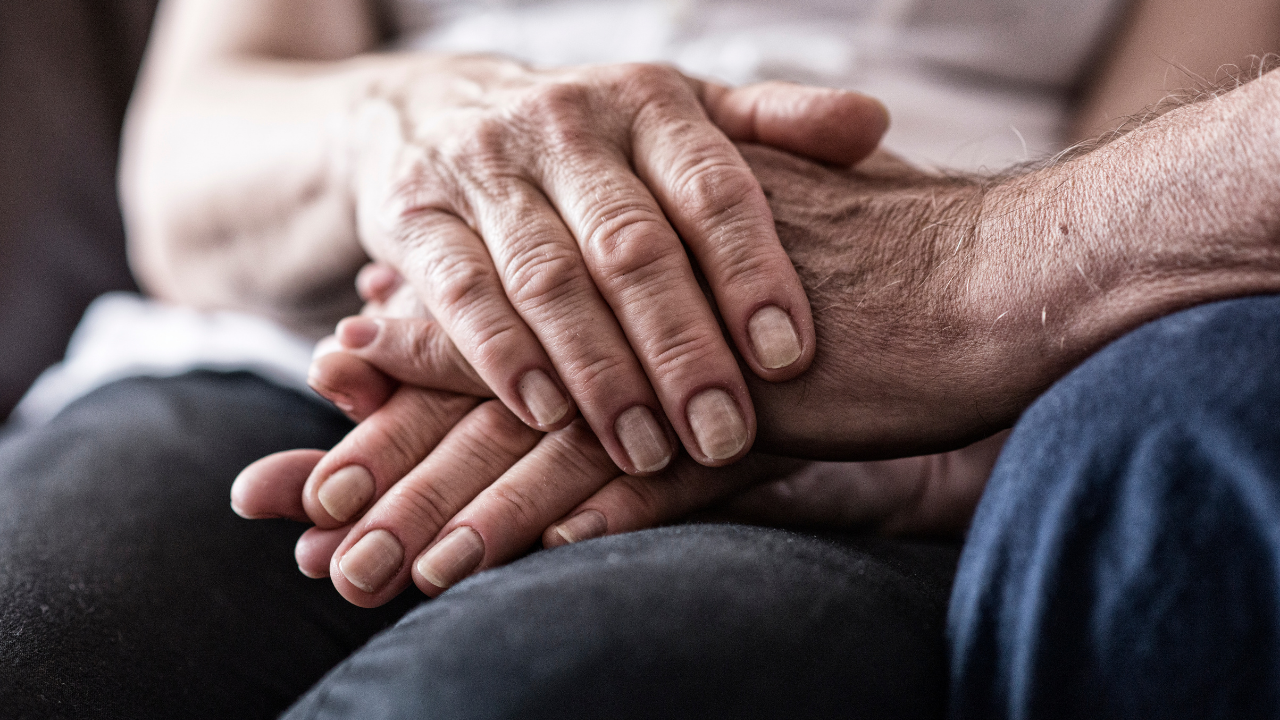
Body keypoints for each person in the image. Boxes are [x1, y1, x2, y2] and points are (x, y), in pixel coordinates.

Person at [3, 0, 1280, 717]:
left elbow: (1120, 246)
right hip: (304, 339)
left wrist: (873, 334)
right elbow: (181, 169)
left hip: (829, 410)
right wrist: (423, 128)